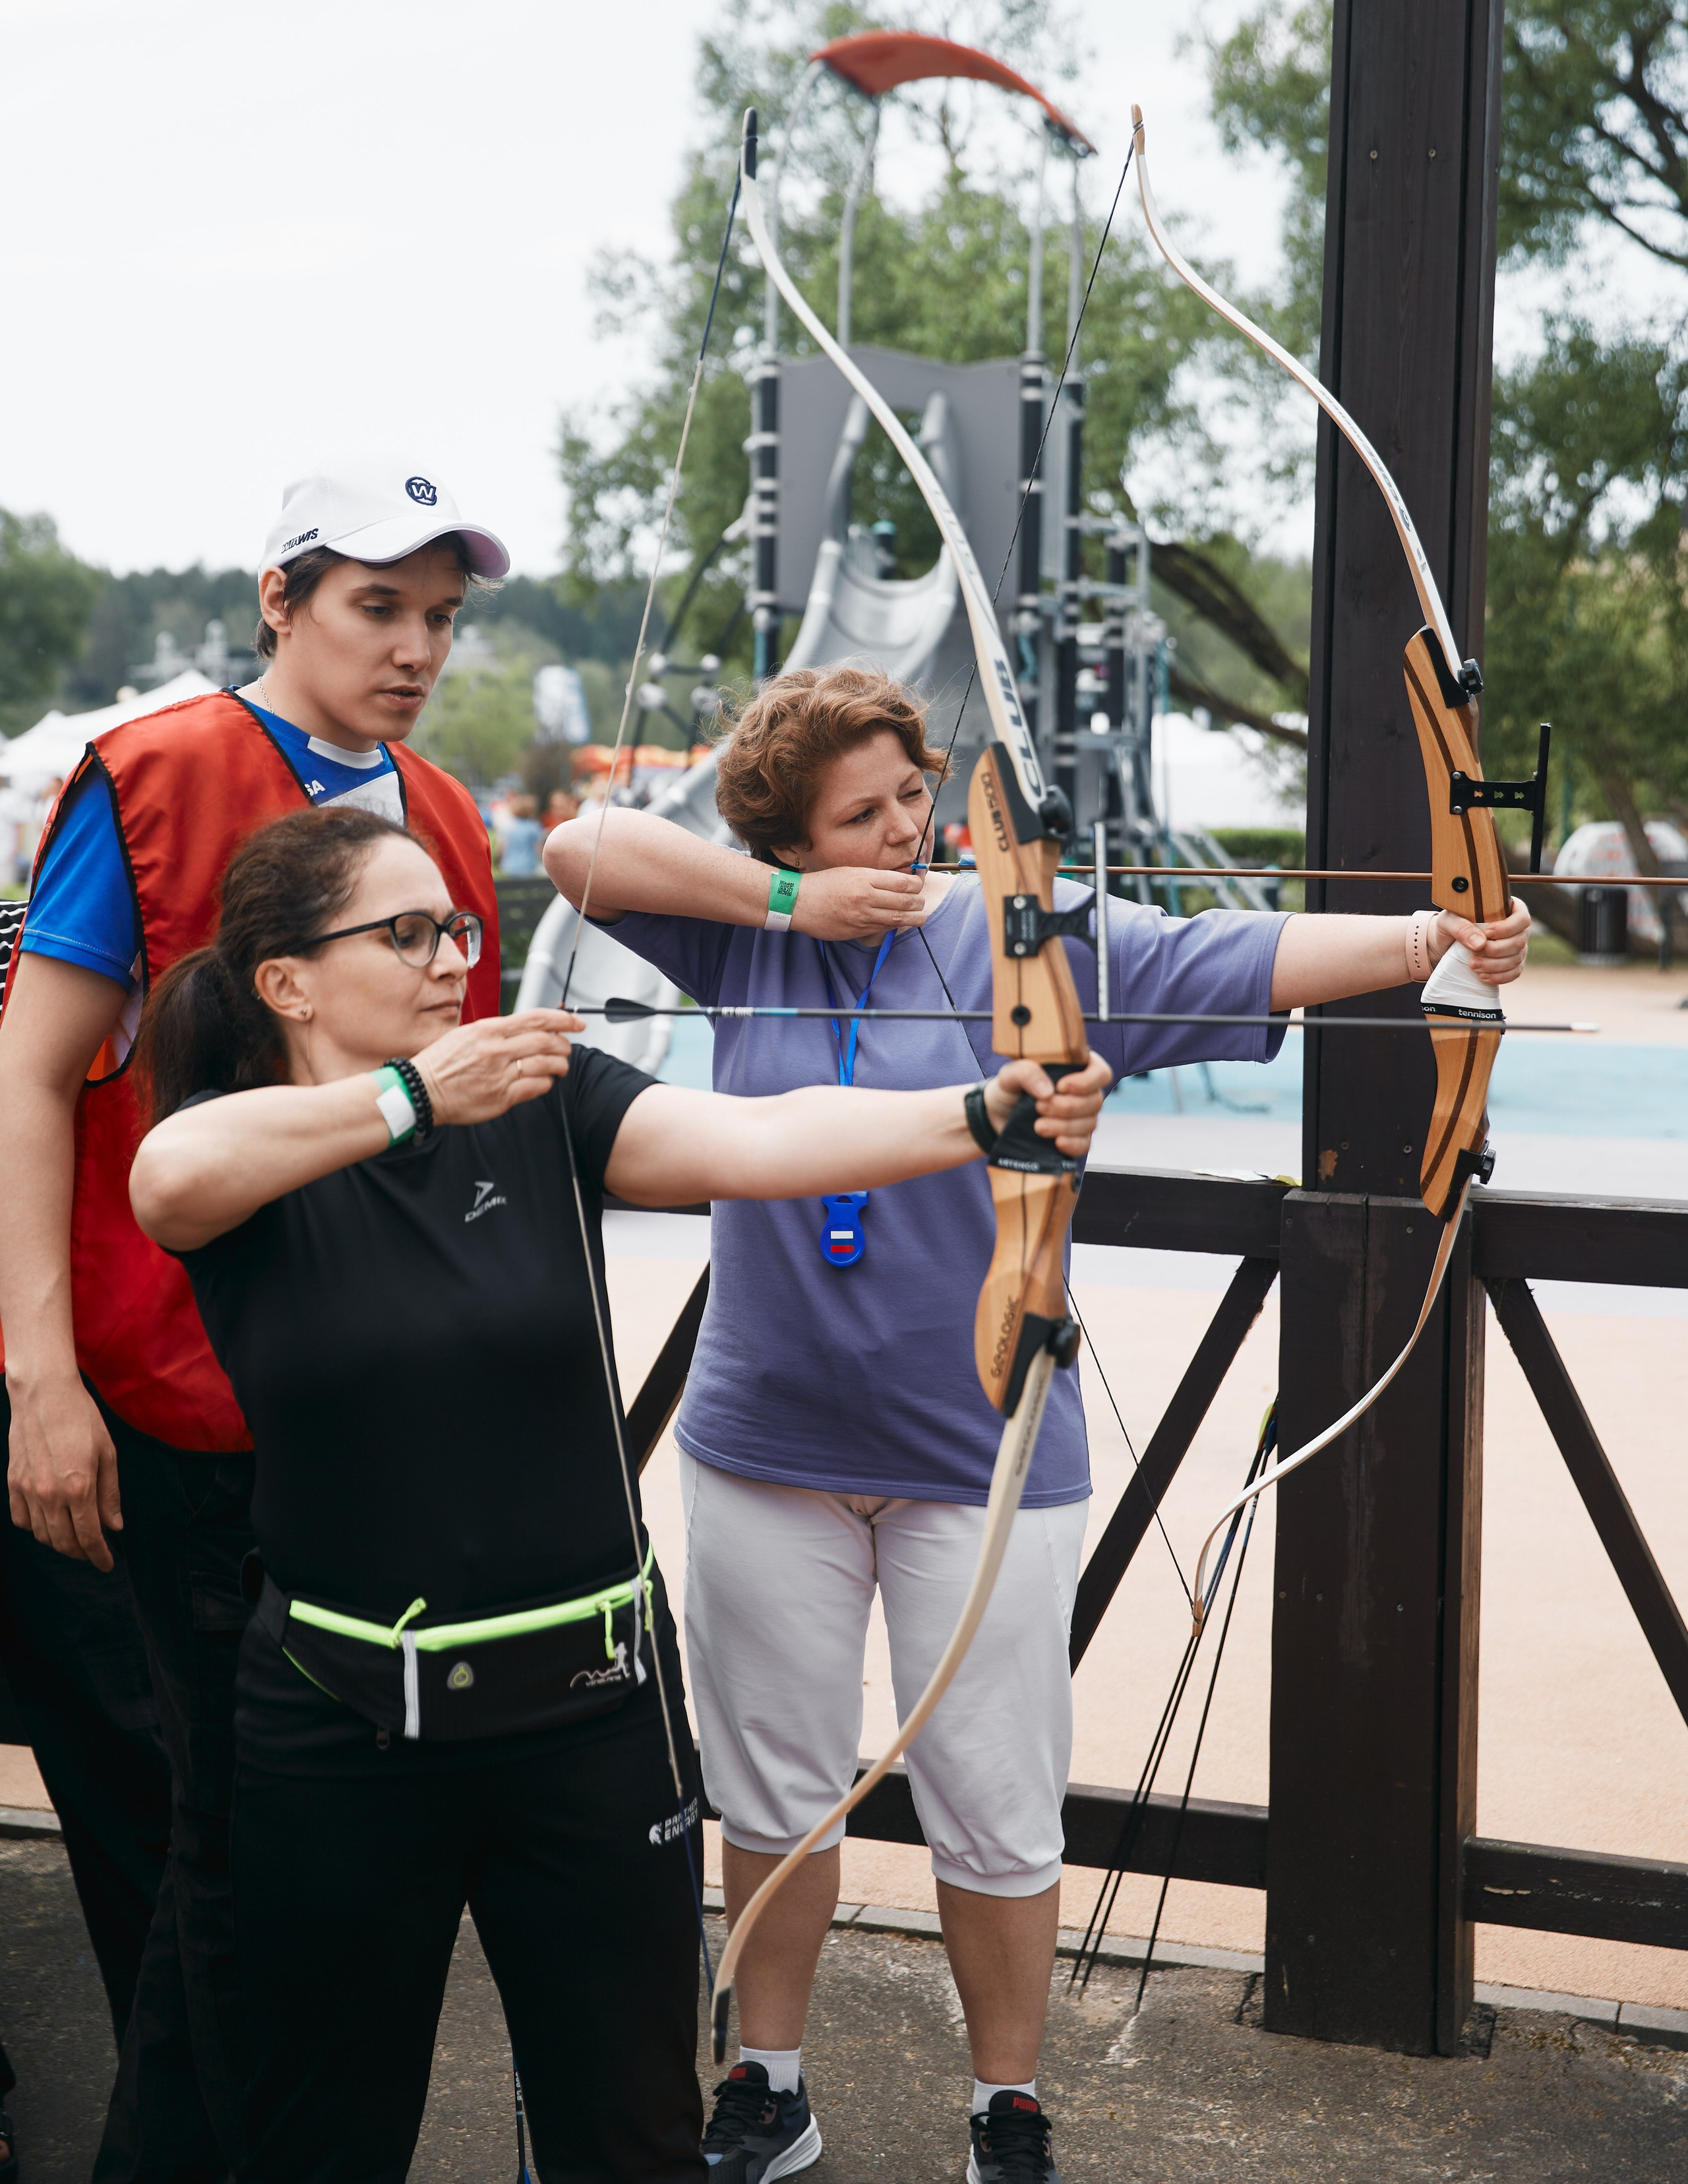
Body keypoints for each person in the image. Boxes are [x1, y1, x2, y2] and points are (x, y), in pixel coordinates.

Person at [546, 663, 1532, 2184]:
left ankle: (1004, 2104)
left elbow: (1233, 952)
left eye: (911, 800)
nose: (901, 832)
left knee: (995, 1800)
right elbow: (579, 848)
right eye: (855, 815)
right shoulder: (744, 929)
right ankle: (768, 2080)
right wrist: (786, 903)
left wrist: (1432, 936)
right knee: (775, 1789)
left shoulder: (1028, 936)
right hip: (765, 1445)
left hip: (980, 1450)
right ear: (790, 837)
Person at [125, 803, 1112, 2183]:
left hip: (588, 1723)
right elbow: (164, 1183)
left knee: (631, 2135)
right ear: (285, 980)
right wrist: (412, 1097)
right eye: (403, 934)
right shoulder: (249, 1147)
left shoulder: (549, 1101)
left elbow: (765, 1138)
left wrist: (975, 1110)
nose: (448, 960)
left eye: (457, 929)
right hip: (340, 1726)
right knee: (318, 2130)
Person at [0, 460, 508, 2178]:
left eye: (441, 613)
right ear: (280, 596)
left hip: (368, 1426)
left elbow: (456, 1116)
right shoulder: (150, 778)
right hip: (185, 1403)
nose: (417, 644)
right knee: (218, 1851)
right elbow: (30, 1076)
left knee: (285, 1860)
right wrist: (40, 1379)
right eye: (379, 603)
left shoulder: (446, 815)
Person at [498, 791, 544, 876]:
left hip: (509, 866)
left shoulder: (507, 827)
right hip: (528, 865)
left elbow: (502, 848)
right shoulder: (534, 827)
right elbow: (538, 848)